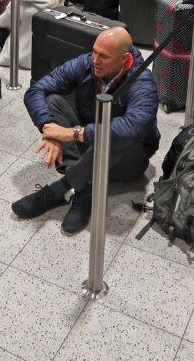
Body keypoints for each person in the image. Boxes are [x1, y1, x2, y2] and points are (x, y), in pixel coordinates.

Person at [13, 27, 160, 233]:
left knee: (117, 135)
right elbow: (36, 90)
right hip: (89, 144)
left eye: (104, 56)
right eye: (94, 52)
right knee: (52, 101)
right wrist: (50, 130)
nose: (95, 60)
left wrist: (73, 133)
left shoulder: (143, 81)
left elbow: (133, 128)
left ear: (124, 60)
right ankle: (84, 189)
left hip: (128, 159)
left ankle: (60, 188)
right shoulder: (85, 64)